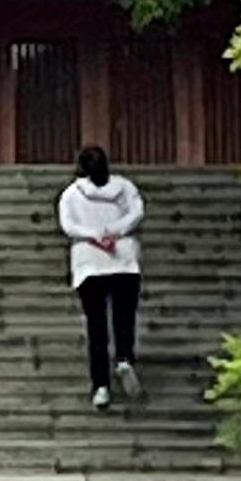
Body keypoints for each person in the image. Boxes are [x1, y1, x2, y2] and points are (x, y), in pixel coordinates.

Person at [57, 143, 145, 405]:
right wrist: (113, 231)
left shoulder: (72, 193)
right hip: (124, 260)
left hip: (89, 263)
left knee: (96, 326)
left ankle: (101, 386)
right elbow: (137, 213)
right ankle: (124, 359)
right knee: (124, 317)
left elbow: (69, 225)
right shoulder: (126, 188)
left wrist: (95, 236)